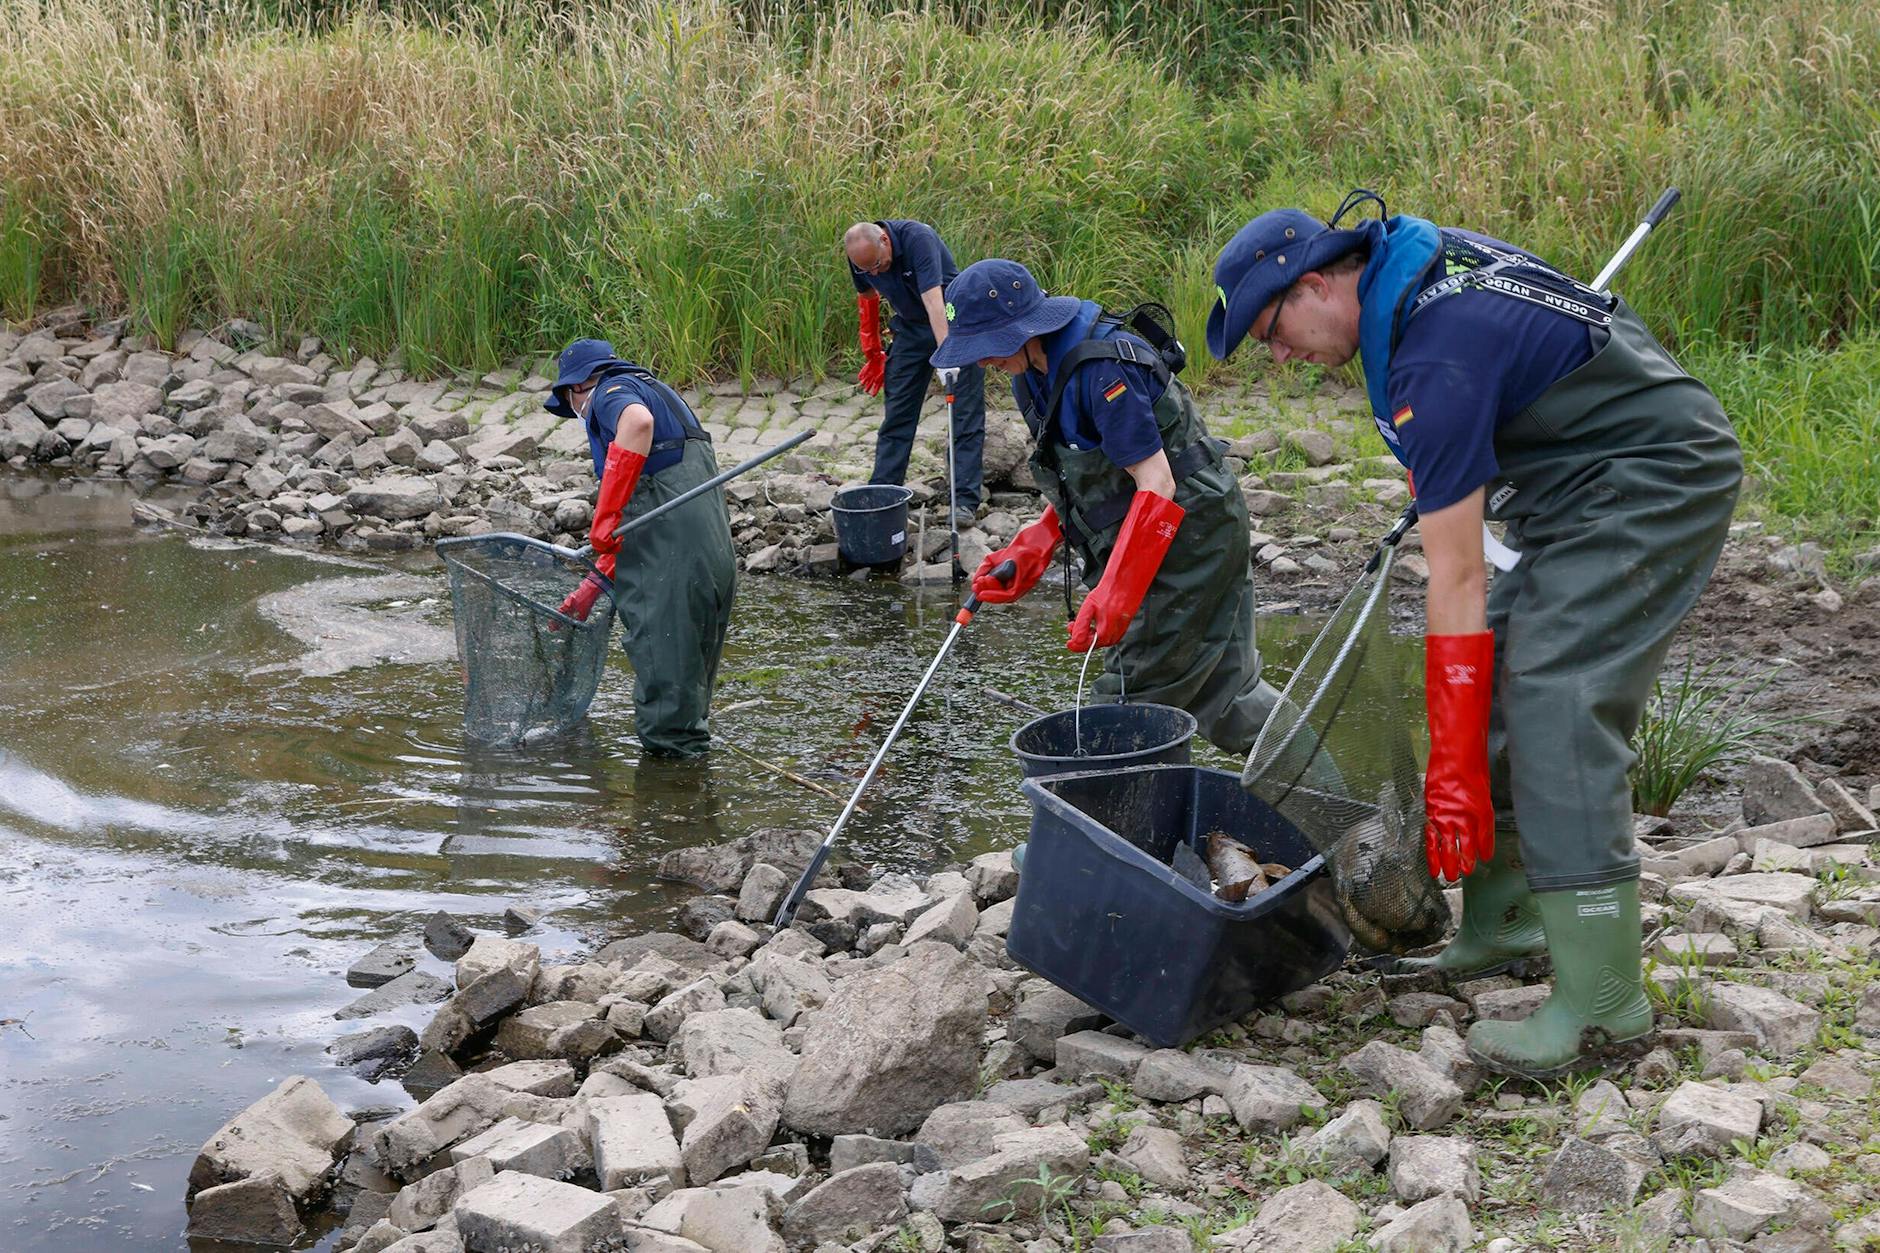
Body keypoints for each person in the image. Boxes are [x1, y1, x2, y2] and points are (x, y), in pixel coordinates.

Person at [1207, 191, 1742, 1079]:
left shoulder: (1435, 355)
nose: (1278, 354)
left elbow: (1457, 575)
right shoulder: (1412, 272)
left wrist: (1451, 766)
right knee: (1498, 685)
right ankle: (1508, 920)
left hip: (1654, 480)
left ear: (1313, 284)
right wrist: (1458, 737)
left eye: (1271, 329)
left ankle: (1605, 1008)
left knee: (1559, 703)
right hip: (1570, 484)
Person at [930, 257, 1286, 756]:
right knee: (1228, 698)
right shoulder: (1028, 373)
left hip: (1190, 541)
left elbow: (1156, 483)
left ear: (1024, 326)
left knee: (1120, 713)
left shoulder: (1103, 369)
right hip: (1168, 533)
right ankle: (1339, 812)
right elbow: (1090, 476)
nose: (983, 361)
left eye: (988, 347)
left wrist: (1118, 588)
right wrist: (1039, 541)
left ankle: (1097, 827)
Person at [546, 338, 737, 758]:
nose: (577, 414)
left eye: (570, 403)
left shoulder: (609, 393)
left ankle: (667, 809)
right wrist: (592, 588)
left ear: (576, 389)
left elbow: (636, 424)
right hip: (710, 558)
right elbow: (649, 517)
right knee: (686, 699)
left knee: (668, 710)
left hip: (671, 563)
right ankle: (686, 805)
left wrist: (607, 512)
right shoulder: (661, 392)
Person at [845, 219, 986, 527]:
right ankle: (883, 492)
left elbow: (934, 302)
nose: (875, 273)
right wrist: (873, 351)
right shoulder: (862, 256)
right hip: (909, 327)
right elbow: (868, 299)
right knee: (897, 414)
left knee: (964, 415)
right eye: (867, 269)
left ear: (885, 239)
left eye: (878, 265)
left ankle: (964, 500)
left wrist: (948, 356)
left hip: (955, 322)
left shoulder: (917, 239)